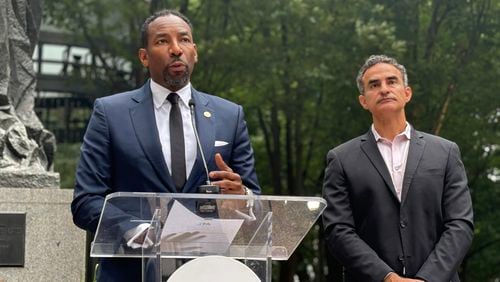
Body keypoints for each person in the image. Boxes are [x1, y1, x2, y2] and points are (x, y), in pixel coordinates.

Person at [71, 9, 260, 282]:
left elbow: (254, 198)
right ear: (144, 57)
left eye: (184, 40)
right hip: (131, 273)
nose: (175, 49)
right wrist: (139, 231)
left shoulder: (230, 115)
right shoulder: (110, 113)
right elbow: (86, 201)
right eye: (162, 41)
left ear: (194, 51)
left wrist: (241, 198)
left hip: (209, 272)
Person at [322, 55, 473, 282]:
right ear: (363, 100)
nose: (384, 89)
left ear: (407, 93)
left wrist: (427, 279)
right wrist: (388, 277)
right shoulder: (341, 159)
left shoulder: (446, 152)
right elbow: (338, 230)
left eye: (391, 81)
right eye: (374, 84)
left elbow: (460, 223)